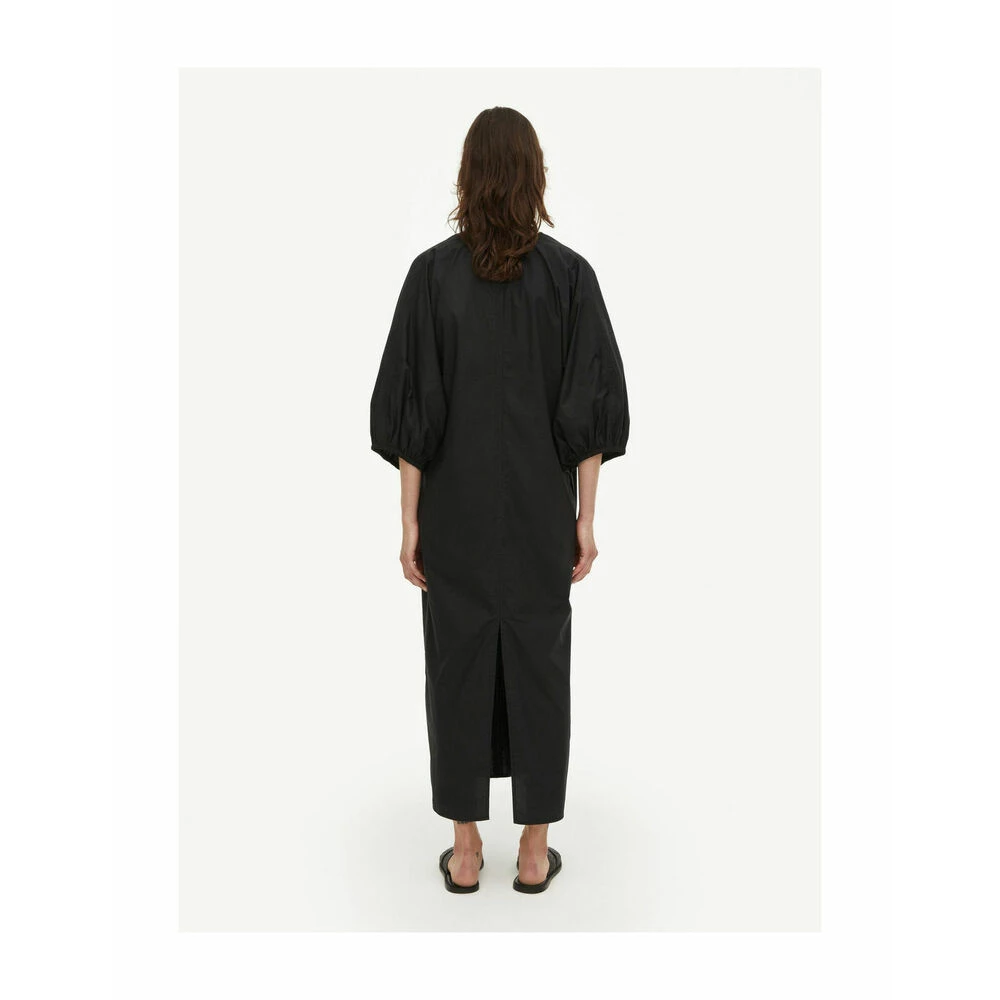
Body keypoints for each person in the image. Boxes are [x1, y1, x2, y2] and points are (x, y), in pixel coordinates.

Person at [369, 107, 630, 894]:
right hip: (539, 516)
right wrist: (586, 518)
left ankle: (465, 850)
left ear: (469, 177)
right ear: (533, 176)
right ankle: (534, 850)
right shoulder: (570, 278)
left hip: (455, 515)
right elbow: (589, 410)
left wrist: (409, 521)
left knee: (455, 666)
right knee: (542, 668)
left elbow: (413, 414)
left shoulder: (432, 278)